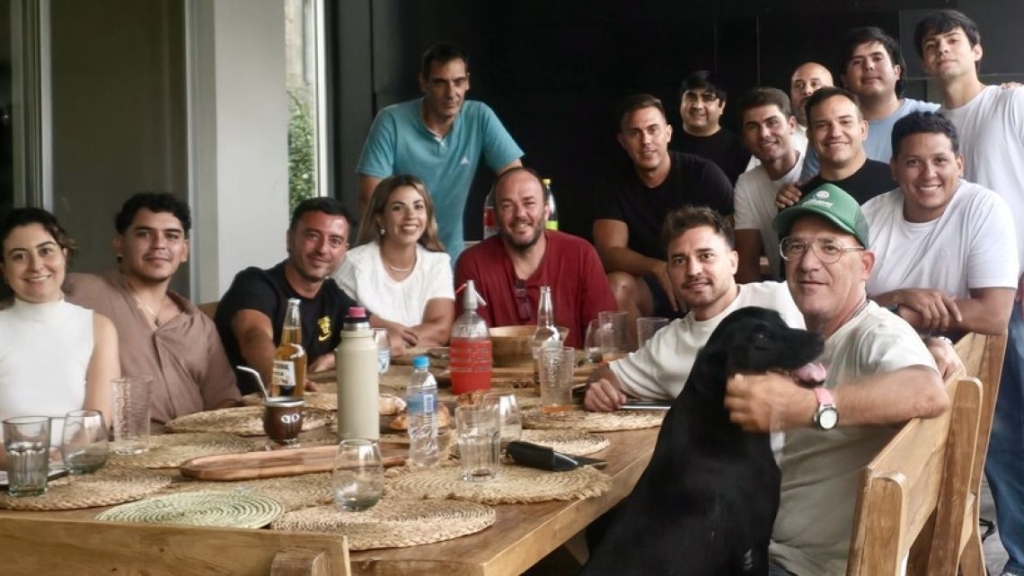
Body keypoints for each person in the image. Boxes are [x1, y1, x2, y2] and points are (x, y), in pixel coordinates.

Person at [726, 183, 949, 575]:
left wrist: (809, 405)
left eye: (829, 247)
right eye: (796, 246)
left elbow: (927, 391)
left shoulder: (875, 332)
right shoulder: (823, 338)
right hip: (771, 548)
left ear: (865, 265)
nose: (808, 263)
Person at [915, 10, 1024, 575]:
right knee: (999, 442)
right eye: (931, 44)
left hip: (1020, 293)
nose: (942, 50)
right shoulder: (927, 122)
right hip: (971, 308)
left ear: (977, 49)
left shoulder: (1011, 104)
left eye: (952, 40)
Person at [584, 205, 803, 412]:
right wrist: (598, 389)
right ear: (669, 271)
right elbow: (604, 375)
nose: (693, 271)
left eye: (706, 256)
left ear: (732, 262)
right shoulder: (667, 344)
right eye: (679, 260)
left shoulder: (782, 297)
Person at [65, 193, 240, 424]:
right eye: (144, 234)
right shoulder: (80, 292)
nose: (159, 244)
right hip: (116, 444)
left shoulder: (200, 325)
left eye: (171, 236)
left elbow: (223, 400)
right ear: (119, 244)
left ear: (184, 250)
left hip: (193, 442)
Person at [355, 43, 524, 260]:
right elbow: (370, 197)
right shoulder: (391, 121)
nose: (451, 93)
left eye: (458, 82)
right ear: (423, 83)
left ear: (468, 82)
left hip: (449, 257)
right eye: (440, 83)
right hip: (396, 257)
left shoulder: (479, 116)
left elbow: (517, 181)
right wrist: (385, 259)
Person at [863, 112, 1017, 336]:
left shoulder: (984, 208)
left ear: (959, 164)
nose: (928, 174)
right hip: (874, 348)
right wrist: (896, 298)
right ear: (894, 169)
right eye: (913, 162)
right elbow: (844, 306)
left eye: (940, 161)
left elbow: (994, 315)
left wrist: (902, 314)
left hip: (958, 353)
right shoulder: (868, 215)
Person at [593, 94, 733, 328]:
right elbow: (609, 251)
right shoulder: (613, 184)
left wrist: (692, 269)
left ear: (668, 133)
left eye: (653, 130)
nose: (645, 140)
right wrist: (657, 267)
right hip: (653, 283)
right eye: (635, 133)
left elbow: (731, 239)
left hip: (703, 272)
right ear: (622, 141)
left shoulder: (704, 174)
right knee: (617, 285)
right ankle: (638, 354)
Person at [454, 167, 616, 348]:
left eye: (529, 203)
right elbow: (473, 345)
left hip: (571, 366)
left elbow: (604, 336)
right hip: (495, 366)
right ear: (496, 216)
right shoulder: (472, 263)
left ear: (546, 210)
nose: (520, 214)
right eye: (507, 206)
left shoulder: (581, 254)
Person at [215, 198, 358, 395]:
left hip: (306, 404)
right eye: (312, 236)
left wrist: (337, 357)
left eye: (335, 241)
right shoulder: (255, 283)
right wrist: (281, 379)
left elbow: (385, 337)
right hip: (245, 405)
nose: (322, 249)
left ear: (344, 250)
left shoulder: (332, 294)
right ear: (290, 238)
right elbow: (253, 336)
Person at [0, 208, 118, 446]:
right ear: (4, 270)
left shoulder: (98, 327)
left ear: (64, 255)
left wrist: (63, 459)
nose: (36, 265)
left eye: (46, 251)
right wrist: (26, 462)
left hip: (77, 462)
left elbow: (97, 419)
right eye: (19, 256)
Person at [333, 175, 455, 354]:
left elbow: (440, 331)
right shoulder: (353, 263)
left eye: (418, 206)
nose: (411, 215)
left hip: (424, 366)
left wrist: (388, 341)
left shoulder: (438, 263)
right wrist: (396, 341)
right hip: (365, 365)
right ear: (380, 219)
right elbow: (340, 327)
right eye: (398, 208)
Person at [800, 27, 939, 179]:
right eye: (857, 62)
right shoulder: (829, 132)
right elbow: (810, 187)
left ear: (897, 71)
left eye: (877, 58)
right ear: (845, 79)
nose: (868, 66)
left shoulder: (933, 115)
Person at [775, 87, 895, 211]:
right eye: (822, 125)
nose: (835, 133)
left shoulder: (897, 183)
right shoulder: (796, 201)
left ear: (863, 130)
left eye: (845, 122)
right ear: (810, 136)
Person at [733, 88, 804, 283]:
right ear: (744, 136)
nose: (764, 134)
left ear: (791, 125)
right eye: (752, 127)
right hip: (779, 288)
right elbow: (747, 263)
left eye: (772, 123)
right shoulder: (746, 184)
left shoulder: (814, 171)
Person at [674, 70, 751, 185]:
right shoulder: (664, 142)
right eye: (691, 96)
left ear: (722, 106)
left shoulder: (739, 150)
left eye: (707, 98)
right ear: (681, 101)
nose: (698, 105)